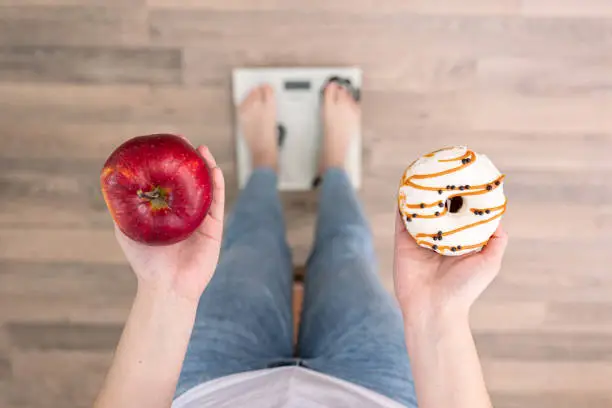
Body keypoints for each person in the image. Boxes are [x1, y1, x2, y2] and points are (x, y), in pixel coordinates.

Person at [94, 83, 508, 408]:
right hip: (376, 391)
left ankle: (264, 162)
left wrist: (167, 292)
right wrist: (437, 314)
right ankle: (334, 165)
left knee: (250, 242)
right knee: (345, 248)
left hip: (210, 389)